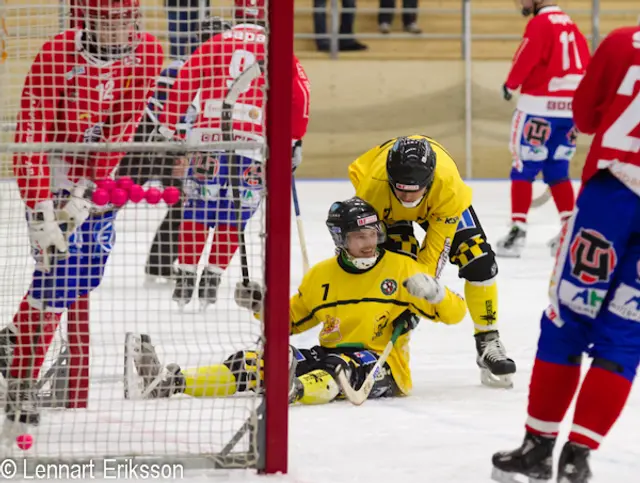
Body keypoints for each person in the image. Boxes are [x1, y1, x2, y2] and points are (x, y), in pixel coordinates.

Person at [123, 197, 467, 403]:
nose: (368, 244)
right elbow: (288, 322)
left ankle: (294, 390)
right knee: (252, 360)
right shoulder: (321, 276)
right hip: (329, 352)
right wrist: (263, 306)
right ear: (340, 239)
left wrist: (436, 293)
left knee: (340, 369)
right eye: (359, 236)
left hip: (380, 365)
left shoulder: (401, 268)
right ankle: (170, 381)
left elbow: (455, 314)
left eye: (373, 235)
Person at [492, 25, 640, 483]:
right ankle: (578, 456)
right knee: (627, 331)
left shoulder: (623, 41)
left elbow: (588, 116)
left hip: (612, 195)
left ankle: (538, 448)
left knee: (567, 320)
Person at [7, 0, 163, 425]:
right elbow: (32, 130)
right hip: (53, 175)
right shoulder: (57, 54)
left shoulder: (148, 52)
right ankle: (20, 382)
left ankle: (9, 343)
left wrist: (89, 190)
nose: (120, 30)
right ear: (86, 20)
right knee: (55, 278)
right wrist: (41, 208)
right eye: (109, 22)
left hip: (97, 179)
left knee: (85, 275)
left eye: (128, 20)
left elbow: (122, 125)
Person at [158, 0, 311, 310]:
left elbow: (184, 82)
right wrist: (294, 138)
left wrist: (168, 128)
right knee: (234, 213)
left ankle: (186, 276)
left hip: (208, 138)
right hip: (253, 143)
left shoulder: (216, 43)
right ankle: (212, 280)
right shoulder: (279, 48)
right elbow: (300, 96)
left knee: (199, 208)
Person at [348, 135, 516, 388]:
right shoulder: (373, 190)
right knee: (396, 261)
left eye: (413, 189)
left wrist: (421, 295)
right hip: (385, 204)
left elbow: (436, 251)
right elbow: (362, 251)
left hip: (438, 205)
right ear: (391, 180)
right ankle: (385, 342)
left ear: (428, 181)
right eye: (400, 188)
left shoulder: (448, 188)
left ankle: (487, 338)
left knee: (478, 258)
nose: (406, 196)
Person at [116, 15, 232, 283]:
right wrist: (181, 152)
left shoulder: (225, 78)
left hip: (179, 146)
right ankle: (79, 245)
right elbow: (161, 113)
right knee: (110, 197)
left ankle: (159, 265)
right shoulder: (179, 69)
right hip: (149, 143)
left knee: (183, 203)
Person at [497, 0, 590, 258]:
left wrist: (510, 84)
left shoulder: (539, 24)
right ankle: (569, 231)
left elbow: (527, 55)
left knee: (523, 168)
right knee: (558, 169)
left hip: (538, 108)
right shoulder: (572, 25)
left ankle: (517, 230)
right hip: (570, 112)